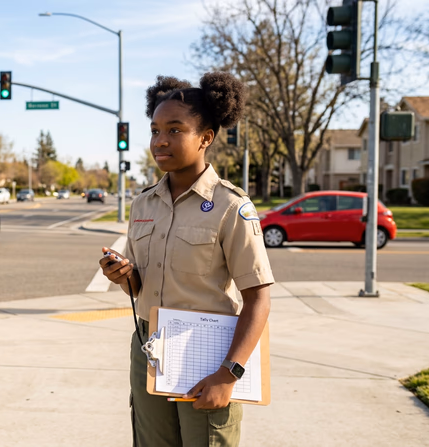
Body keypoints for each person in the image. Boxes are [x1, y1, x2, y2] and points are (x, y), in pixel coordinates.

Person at [99, 72, 274, 447]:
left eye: (175, 130)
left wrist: (229, 373)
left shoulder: (231, 206)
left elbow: (258, 299)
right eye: (155, 130)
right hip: (149, 344)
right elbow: (140, 286)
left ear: (205, 138)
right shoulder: (143, 203)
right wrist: (123, 275)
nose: (160, 140)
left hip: (208, 351)